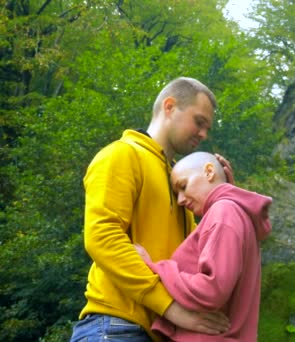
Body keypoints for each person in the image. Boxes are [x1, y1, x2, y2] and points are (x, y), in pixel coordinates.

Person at [71, 77, 233, 342]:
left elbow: (205, 252)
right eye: (199, 122)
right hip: (116, 327)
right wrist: (170, 307)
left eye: (207, 128)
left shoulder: (180, 185)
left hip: (157, 333)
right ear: (170, 106)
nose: (204, 134)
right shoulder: (121, 154)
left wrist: (224, 197)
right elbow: (102, 238)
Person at [135, 151, 272, 341]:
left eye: (183, 186)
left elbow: (212, 288)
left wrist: (154, 268)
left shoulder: (223, 212)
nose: (181, 200)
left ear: (209, 172)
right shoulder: (235, 214)